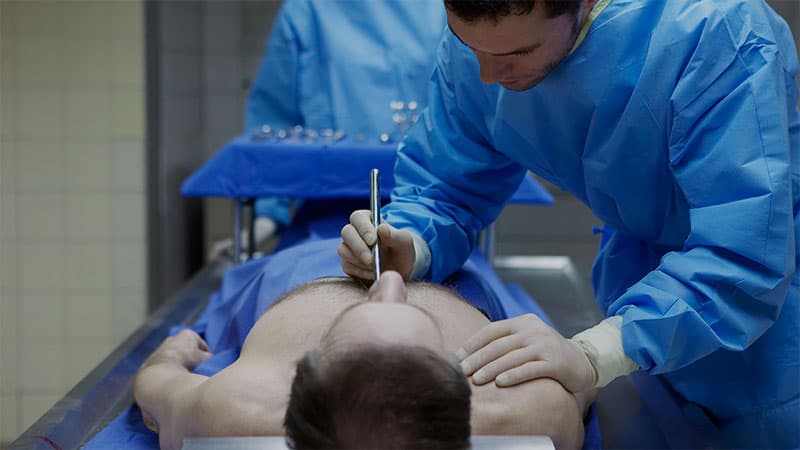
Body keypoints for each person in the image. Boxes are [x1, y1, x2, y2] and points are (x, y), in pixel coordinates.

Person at [338, 0, 800, 447]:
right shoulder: (487, 44)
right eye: (468, 47)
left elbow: (742, 252)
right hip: (647, 304)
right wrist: (413, 243)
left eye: (517, 55)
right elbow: (448, 184)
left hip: (769, 334)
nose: (487, 76)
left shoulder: (713, 33)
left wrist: (597, 352)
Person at [133, 272, 591, 450]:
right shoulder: (528, 412)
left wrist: (175, 350)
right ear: (464, 387)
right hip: (459, 278)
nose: (390, 280)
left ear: (300, 375)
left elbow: (156, 381)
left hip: (301, 272)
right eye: (413, 311)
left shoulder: (236, 410)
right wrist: (585, 358)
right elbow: (583, 382)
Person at [209, 0, 447, 259]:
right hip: (324, 218)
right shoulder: (310, 8)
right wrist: (265, 218)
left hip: (430, 214)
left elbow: (467, 131)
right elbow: (274, 119)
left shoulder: (445, 10)